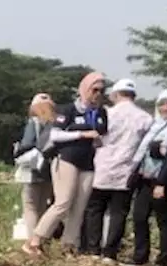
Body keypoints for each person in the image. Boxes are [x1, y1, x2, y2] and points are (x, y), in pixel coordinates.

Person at [26, 72, 109, 256]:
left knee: (79, 207)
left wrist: (98, 141)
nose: (98, 94)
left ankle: (69, 245)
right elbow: (55, 135)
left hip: (88, 162)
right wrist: (81, 135)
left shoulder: (101, 113)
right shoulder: (68, 110)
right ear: (85, 89)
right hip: (66, 159)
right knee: (63, 202)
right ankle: (36, 239)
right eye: (94, 90)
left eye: (102, 91)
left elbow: (103, 134)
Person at [85, 79, 151, 260]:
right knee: (118, 212)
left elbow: (96, 137)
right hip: (127, 171)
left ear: (115, 95)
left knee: (95, 209)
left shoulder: (107, 113)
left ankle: (93, 249)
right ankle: (110, 252)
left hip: (103, 168)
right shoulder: (145, 118)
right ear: (134, 96)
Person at [128, 88, 167, 266]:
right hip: (147, 177)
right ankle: (140, 257)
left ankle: (164, 260)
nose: (165, 107)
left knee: (164, 219)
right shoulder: (156, 125)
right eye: (162, 104)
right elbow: (147, 150)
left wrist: (161, 182)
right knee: (139, 216)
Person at [14, 94, 56, 241]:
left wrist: (18, 149)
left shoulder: (34, 122)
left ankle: (32, 242)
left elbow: (27, 144)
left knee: (30, 206)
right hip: (49, 171)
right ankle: (42, 239)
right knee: (43, 206)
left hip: (32, 170)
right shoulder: (56, 123)